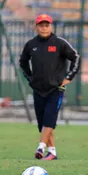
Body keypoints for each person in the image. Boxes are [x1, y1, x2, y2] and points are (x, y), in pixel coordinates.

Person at [19, 13, 80, 160]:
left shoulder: (59, 43)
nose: (44, 28)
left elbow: (75, 57)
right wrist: (30, 78)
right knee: (42, 123)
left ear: (51, 26)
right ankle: (52, 152)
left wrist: (68, 77)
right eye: (41, 25)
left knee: (49, 119)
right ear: (36, 27)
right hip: (38, 89)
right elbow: (23, 62)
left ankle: (41, 147)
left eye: (47, 25)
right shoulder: (31, 45)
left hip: (56, 89)